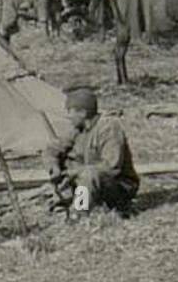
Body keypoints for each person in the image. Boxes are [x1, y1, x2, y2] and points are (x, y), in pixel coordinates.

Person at [44, 87, 139, 215]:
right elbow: (52, 150)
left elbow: (111, 167)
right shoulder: (78, 129)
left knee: (89, 173)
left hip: (119, 187)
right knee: (67, 162)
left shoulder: (109, 128)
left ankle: (78, 213)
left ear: (82, 113)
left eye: (70, 112)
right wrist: (54, 167)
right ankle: (64, 201)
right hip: (90, 183)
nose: (68, 116)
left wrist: (75, 172)